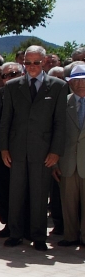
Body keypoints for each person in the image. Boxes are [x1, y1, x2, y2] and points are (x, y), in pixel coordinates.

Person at [0, 45, 67, 251]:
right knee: (16, 193)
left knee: (39, 194)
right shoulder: (12, 86)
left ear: (44, 62)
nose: (32, 67)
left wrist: (56, 151)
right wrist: (4, 148)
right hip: (17, 148)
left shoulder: (58, 86)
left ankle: (39, 236)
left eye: (36, 62)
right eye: (27, 62)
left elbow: (60, 122)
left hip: (43, 150)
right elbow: (6, 120)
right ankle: (16, 232)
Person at [0, 62, 23, 237]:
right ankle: (8, 224)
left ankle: (25, 226)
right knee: (3, 189)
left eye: (13, 74)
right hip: (1, 151)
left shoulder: (29, 95)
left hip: (24, 151)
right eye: (4, 76)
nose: (8, 78)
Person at [53, 64, 85, 246]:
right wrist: (55, 163)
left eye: (84, 80)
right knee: (68, 203)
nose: (81, 84)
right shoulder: (63, 102)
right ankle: (70, 235)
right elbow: (56, 133)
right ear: (70, 83)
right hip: (66, 162)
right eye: (76, 80)